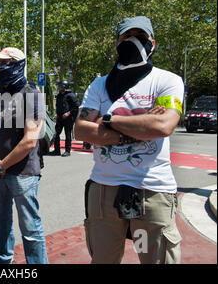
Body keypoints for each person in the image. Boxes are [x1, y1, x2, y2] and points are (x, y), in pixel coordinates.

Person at [74, 16, 184, 264]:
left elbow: (163, 125)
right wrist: (141, 124)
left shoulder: (168, 81)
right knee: (104, 260)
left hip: (151, 192)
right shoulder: (99, 84)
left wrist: (107, 120)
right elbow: (80, 130)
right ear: (117, 43)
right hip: (104, 192)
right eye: (126, 37)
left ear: (152, 43)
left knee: (154, 260)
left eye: (140, 37)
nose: (133, 42)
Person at [0, 47, 49, 264]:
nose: (2, 68)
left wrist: (2, 165)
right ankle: (2, 260)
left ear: (19, 65)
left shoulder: (33, 95)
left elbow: (30, 140)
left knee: (30, 228)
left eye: (6, 63)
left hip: (23, 173)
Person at [50, 80, 79, 157]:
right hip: (60, 118)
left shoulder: (71, 95)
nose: (59, 88)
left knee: (67, 134)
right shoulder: (59, 95)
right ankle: (56, 150)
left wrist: (68, 113)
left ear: (64, 87)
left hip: (68, 119)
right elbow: (57, 105)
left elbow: (76, 107)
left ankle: (67, 151)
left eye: (60, 86)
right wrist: (56, 113)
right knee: (56, 134)